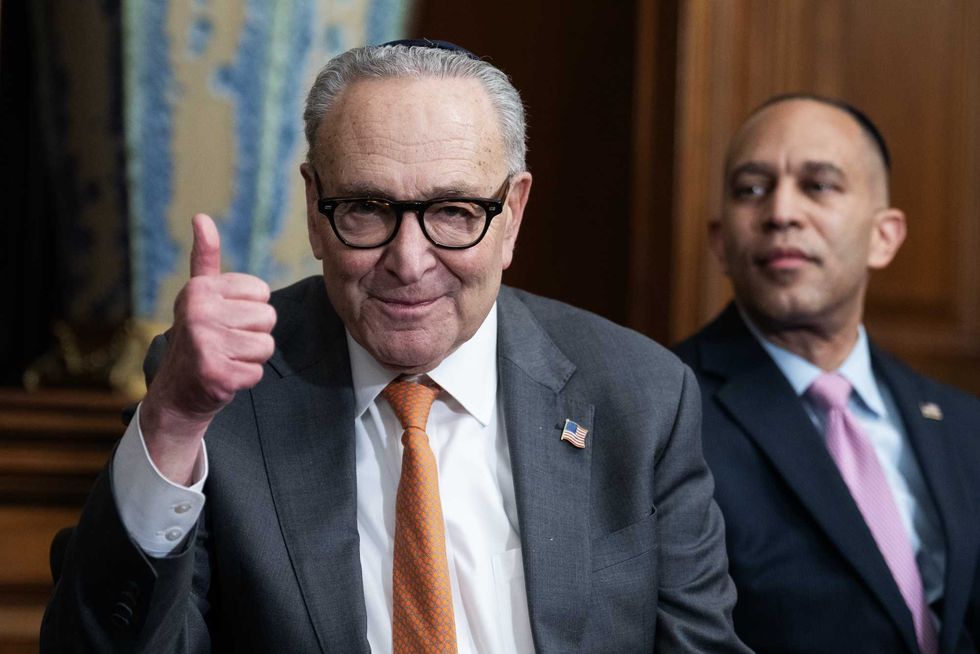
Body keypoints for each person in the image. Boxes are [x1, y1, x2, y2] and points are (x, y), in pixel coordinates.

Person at [42, 40, 748, 653]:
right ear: (315, 209)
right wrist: (172, 422)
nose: (409, 262)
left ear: (512, 215)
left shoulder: (639, 394)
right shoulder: (218, 391)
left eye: (454, 211)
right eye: (365, 209)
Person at [675, 93, 980, 654]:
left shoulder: (964, 425)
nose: (781, 213)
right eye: (752, 189)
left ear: (884, 236)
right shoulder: (666, 411)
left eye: (818, 185)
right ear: (720, 243)